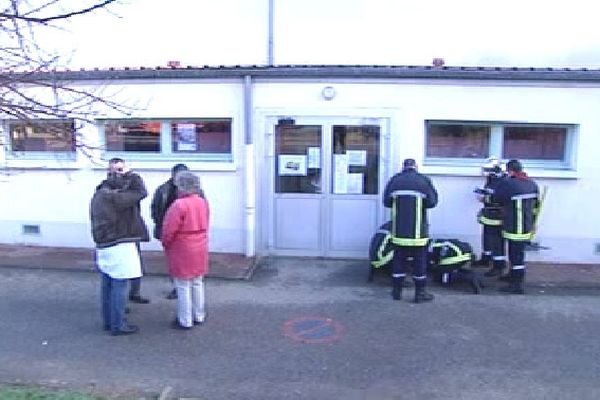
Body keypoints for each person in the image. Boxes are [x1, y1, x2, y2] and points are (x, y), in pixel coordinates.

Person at [90, 169, 147, 335]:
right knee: (119, 286)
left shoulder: (99, 195)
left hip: (104, 244)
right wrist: (133, 175)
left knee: (107, 284)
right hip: (118, 245)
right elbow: (140, 192)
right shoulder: (113, 198)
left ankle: (109, 321)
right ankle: (118, 324)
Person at [383, 158, 438, 303]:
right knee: (419, 262)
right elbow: (432, 202)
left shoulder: (395, 180)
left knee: (399, 260)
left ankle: (396, 291)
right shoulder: (423, 180)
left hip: (399, 232)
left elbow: (386, 202)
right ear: (416, 167)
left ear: (403, 167)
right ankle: (420, 293)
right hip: (418, 233)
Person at [161, 171, 210, 329]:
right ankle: (199, 315)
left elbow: (169, 229)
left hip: (182, 246)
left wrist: (166, 243)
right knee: (197, 282)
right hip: (200, 243)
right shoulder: (202, 202)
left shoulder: (178, 205)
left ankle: (185, 320)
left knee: (182, 285)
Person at [491, 159, 540, 294]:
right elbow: (536, 205)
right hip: (526, 225)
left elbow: (496, 199)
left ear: (510, 170)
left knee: (516, 256)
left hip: (513, 225)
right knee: (517, 253)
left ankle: (516, 285)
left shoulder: (509, 184)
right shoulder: (532, 184)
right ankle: (513, 276)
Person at [107, 158, 151, 304]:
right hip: (115, 230)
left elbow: (142, 192)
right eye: (113, 171)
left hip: (131, 228)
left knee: (135, 263)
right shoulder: (106, 186)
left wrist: (129, 176)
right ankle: (120, 300)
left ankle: (135, 292)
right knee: (120, 267)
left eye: (120, 170)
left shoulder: (132, 181)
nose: (117, 174)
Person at [151, 163, 190, 300]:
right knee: (173, 262)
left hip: (187, 233)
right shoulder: (163, 190)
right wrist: (162, 225)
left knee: (188, 262)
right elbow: (155, 209)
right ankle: (177, 287)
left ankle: (186, 285)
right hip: (169, 231)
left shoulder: (195, 191)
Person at [472, 157, 509, 279]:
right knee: (487, 236)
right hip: (488, 214)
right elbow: (490, 192)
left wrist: (484, 198)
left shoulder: (504, 182)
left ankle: (498, 266)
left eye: (489, 170)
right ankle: (486, 258)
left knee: (497, 241)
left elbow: (500, 199)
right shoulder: (491, 179)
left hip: (498, 216)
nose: (486, 172)